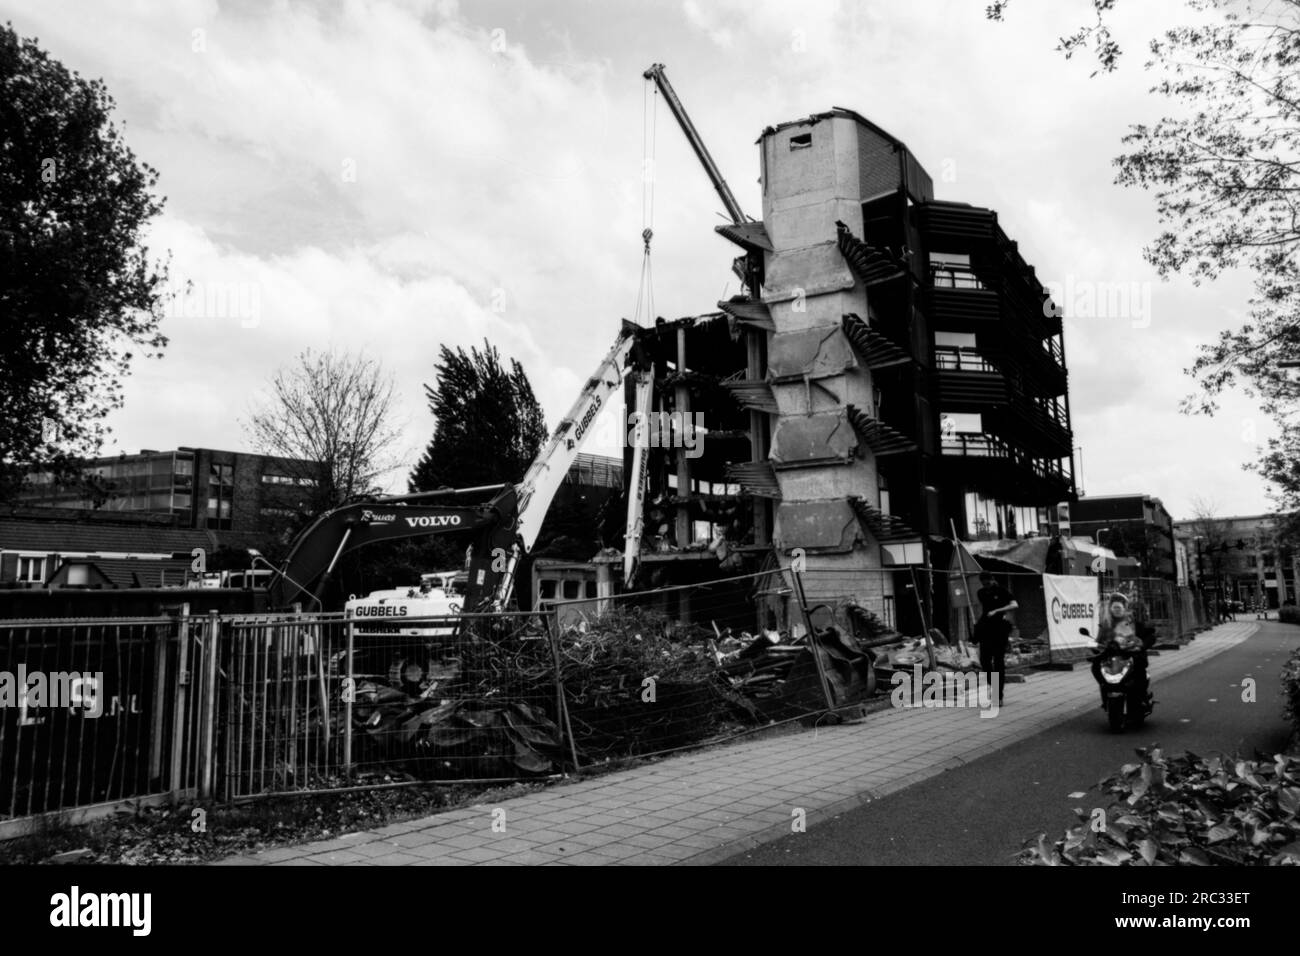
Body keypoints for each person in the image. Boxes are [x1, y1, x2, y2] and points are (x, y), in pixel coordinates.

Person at [1089, 591, 1155, 709]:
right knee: (1095, 666)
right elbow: (1099, 640)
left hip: (1130, 654)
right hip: (1111, 656)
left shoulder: (1133, 622)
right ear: (1110, 608)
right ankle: (1105, 691)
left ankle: (1141, 697)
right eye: (1114, 607)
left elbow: (1149, 635)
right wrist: (1095, 647)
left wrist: (1141, 645)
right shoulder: (1106, 624)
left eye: (1119, 607)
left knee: (1139, 668)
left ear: (1125, 608)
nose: (1117, 610)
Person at [972, 570, 1017, 703]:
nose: (985, 586)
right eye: (983, 584)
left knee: (998, 661)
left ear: (992, 580)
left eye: (987, 583)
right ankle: (994, 685)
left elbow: (1014, 604)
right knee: (984, 660)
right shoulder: (981, 593)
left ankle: (998, 694)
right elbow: (983, 609)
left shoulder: (1002, 591)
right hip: (986, 628)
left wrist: (997, 611)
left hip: (999, 629)